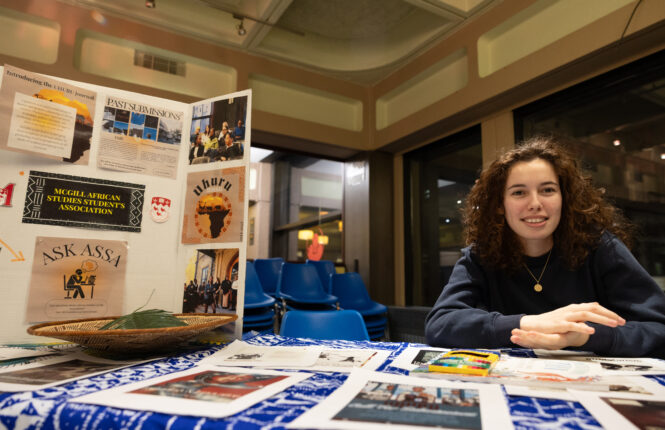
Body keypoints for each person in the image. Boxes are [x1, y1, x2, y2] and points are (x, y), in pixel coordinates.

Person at [424, 137, 665, 358]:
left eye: (547, 190)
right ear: (499, 204)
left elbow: (657, 328)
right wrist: (530, 323)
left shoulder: (601, 248)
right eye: (519, 192)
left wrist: (585, 336)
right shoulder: (480, 256)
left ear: (564, 198)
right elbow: (440, 324)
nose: (535, 203)